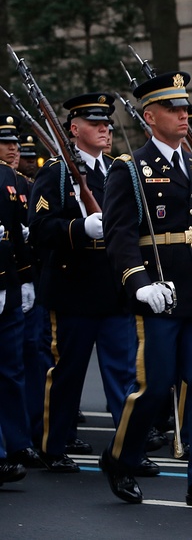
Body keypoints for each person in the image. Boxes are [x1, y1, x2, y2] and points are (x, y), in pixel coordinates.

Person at [100, 71, 192, 508]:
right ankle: (121, 458)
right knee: (155, 387)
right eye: (174, 109)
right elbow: (120, 234)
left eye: (185, 108)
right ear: (149, 116)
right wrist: (138, 284)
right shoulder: (131, 168)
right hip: (160, 291)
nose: (183, 115)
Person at [29, 94, 141, 475]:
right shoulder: (57, 173)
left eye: (107, 124)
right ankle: (53, 445)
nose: (105, 129)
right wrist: (79, 228)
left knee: (124, 375)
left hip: (113, 287)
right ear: (75, 129)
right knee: (67, 375)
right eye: (96, 124)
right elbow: (40, 230)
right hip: (74, 289)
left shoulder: (119, 170)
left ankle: (128, 449)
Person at [0, 116, 40, 471]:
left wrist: (25, 278)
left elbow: (17, 236)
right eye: (5, 142)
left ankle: (17, 443)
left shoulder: (11, 180)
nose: (13, 149)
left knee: (11, 370)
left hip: (9, 286)